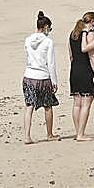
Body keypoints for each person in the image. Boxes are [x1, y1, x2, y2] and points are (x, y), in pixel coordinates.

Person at [22, 11, 60, 144]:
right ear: (45, 27)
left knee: (29, 106)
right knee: (48, 106)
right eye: (49, 28)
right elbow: (51, 63)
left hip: (29, 76)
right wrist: (54, 81)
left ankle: (27, 136)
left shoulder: (27, 40)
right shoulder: (48, 42)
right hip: (43, 77)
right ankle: (49, 134)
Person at [68, 11, 94, 142]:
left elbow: (70, 55)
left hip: (74, 70)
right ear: (93, 22)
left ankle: (78, 132)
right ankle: (81, 134)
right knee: (86, 104)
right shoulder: (90, 35)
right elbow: (92, 57)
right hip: (86, 70)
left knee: (77, 103)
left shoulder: (73, 34)